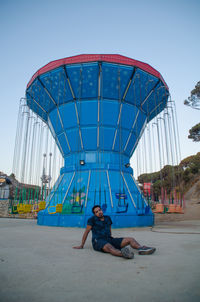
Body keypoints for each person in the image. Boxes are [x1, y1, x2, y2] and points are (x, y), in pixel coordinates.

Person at [73, 205, 156, 259]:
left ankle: (141, 249)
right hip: (98, 241)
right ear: (94, 214)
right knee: (110, 247)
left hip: (109, 239)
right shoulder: (91, 220)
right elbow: (86, 232)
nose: (99, 212)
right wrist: (81, 245)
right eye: (96, 212)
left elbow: (109, 230)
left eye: (100, 210)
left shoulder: (108, 218)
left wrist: (112, 239)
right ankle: (124, 254)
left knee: (130, 239)